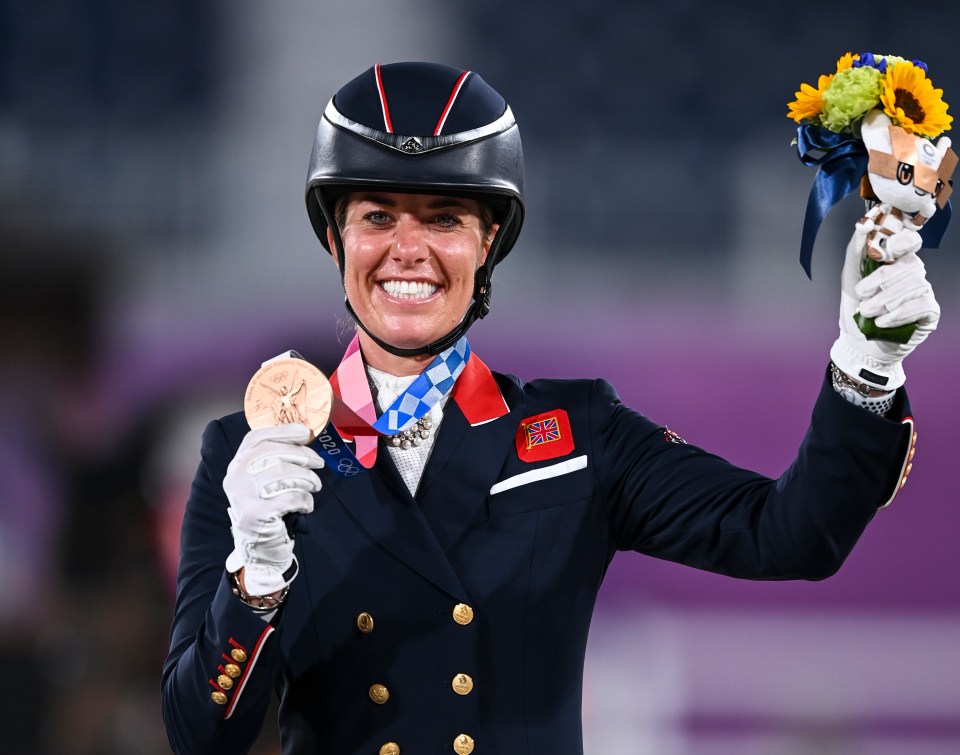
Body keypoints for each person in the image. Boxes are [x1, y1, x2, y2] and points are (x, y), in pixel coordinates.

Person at [162, 62, 937, 755]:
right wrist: (254, 579)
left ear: (490, 241)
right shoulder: (251, 455)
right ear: (335, 240)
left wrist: (865, 367)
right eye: (376, 216)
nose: (408, 248)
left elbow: (789, 533)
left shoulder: (578, 436)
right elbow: (202, 735)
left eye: (444, 218)